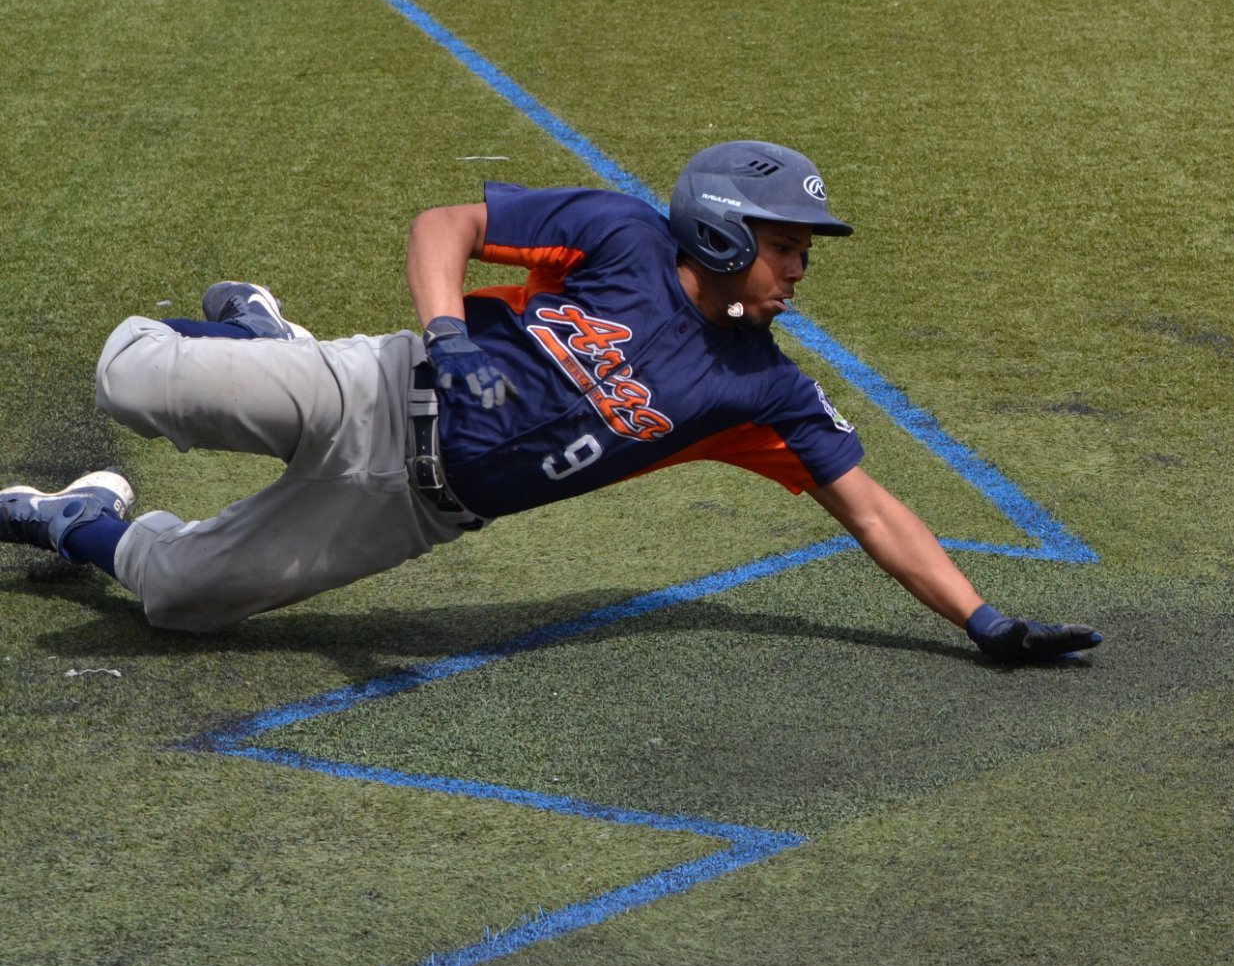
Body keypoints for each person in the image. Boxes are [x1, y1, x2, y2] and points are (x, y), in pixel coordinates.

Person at [1, 140, 1103, 661]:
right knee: (131, 375)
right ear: (719, 229)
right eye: (785, 245)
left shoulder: (762, 389)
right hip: (381, 384)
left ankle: (77, 519)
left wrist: (984, 621)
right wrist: (443, 332)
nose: (800, 268)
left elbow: (872, 509)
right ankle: (257, 339)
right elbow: (447, 226)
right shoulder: (620, 234)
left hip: (409, 512)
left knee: (181, 599)